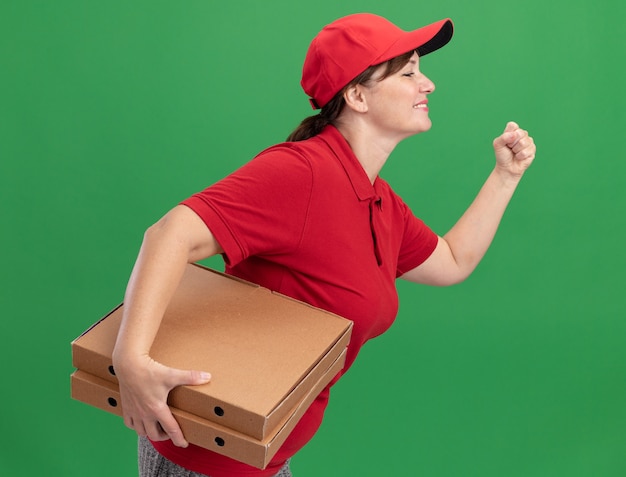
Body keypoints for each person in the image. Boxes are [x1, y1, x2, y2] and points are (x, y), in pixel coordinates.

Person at [112, 12, 536, 477]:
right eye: (410, 72)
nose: (428, 84)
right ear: (356, 96)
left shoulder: (378, 201)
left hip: (268, 454)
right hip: (209, 458)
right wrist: (130, 361)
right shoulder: (304, 173)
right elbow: (169, 233)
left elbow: (453, 261)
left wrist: (504, 177)